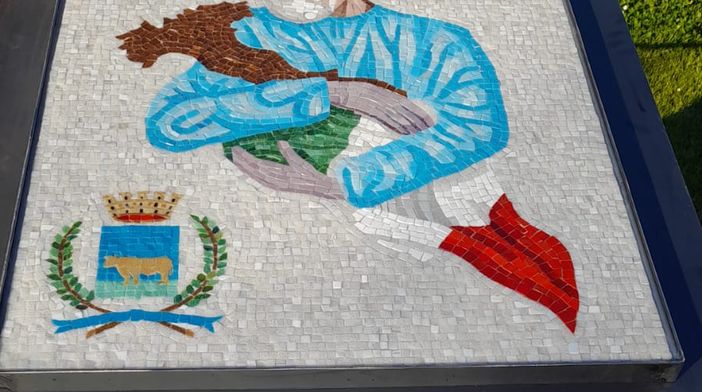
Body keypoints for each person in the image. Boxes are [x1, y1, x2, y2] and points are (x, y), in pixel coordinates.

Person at [118, 0, 579, 331]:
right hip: (286, 268)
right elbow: (170, 123)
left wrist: (344, 183)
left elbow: (477, 127)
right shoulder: (253, 36)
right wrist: (329, 93)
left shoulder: (434, 41)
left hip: (425, 238)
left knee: (521, 287)